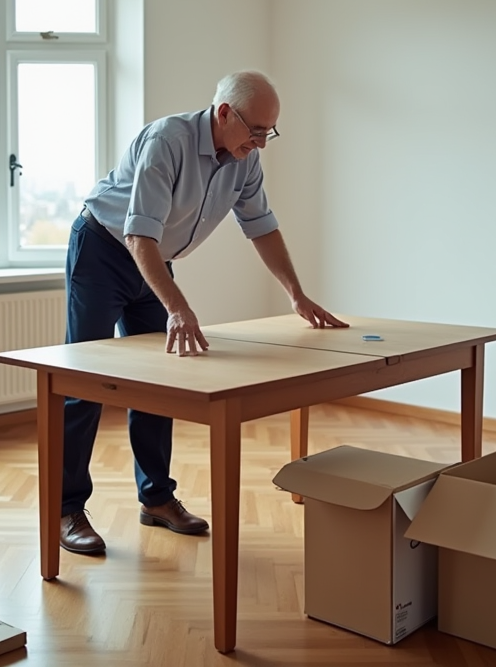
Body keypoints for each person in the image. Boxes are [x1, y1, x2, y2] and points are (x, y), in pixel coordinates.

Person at [58, 69, 347, 555]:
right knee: (84, 382)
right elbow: (138, 234)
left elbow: (262, 228)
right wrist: (177, 306)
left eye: (268, 133)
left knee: (159, 383)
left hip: (154, 258)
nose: (260, 144)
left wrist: (296, 294)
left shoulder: (244, 160)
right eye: (256, 131)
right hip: (105, 251)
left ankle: (156, 499)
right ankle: (67, 509)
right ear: (224, 113)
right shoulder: (167, 140)